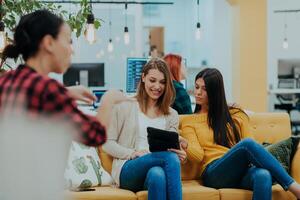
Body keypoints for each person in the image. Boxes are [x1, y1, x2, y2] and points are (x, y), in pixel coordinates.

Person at [0, 10, 126, 146]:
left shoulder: (6, 80)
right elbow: (95, 135)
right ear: (49, 43)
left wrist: (65, 93)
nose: (72, 50)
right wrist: (108, 99)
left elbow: (30, 95)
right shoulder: (48, 90)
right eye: (68, 41)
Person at [180, 68, 300, 200]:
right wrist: (183, 142)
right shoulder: (189, 121)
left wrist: (237, 112)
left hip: (239, 170)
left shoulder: (235, 114)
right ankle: (294, 188)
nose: (197, 92)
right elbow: (198, 156)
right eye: (196, 87)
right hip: (213, 173)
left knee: (263, 175)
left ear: (215, 92)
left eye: (204, 89)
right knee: (246, 145)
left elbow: (250, 141)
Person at [103, 58, 186, 200]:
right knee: (170, 159)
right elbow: (107, 143)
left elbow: (171, 147)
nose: (157, 86)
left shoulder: (172, 114)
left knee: (157, 175)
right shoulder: (124, 106)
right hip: (128, 168)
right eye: (152, 80)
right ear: (143, 78)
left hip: (155, 168)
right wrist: (132, 153)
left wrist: (180, 154)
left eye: (162, 82)